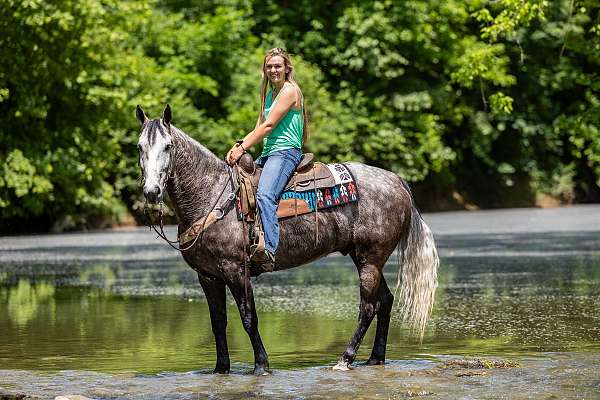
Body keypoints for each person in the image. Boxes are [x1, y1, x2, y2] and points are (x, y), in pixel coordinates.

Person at [226, 47, 309, 266]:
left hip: (285, 152)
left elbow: (269, 126)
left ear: (286, 68)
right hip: (268, 152)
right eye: (269, 66)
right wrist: (238, 144)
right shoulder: (270, 92)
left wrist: (242, 149)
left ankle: (269, 250)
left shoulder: (290, 91)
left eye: (277, 66)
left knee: (264, 194)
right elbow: (259, 126)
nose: (273, 70)